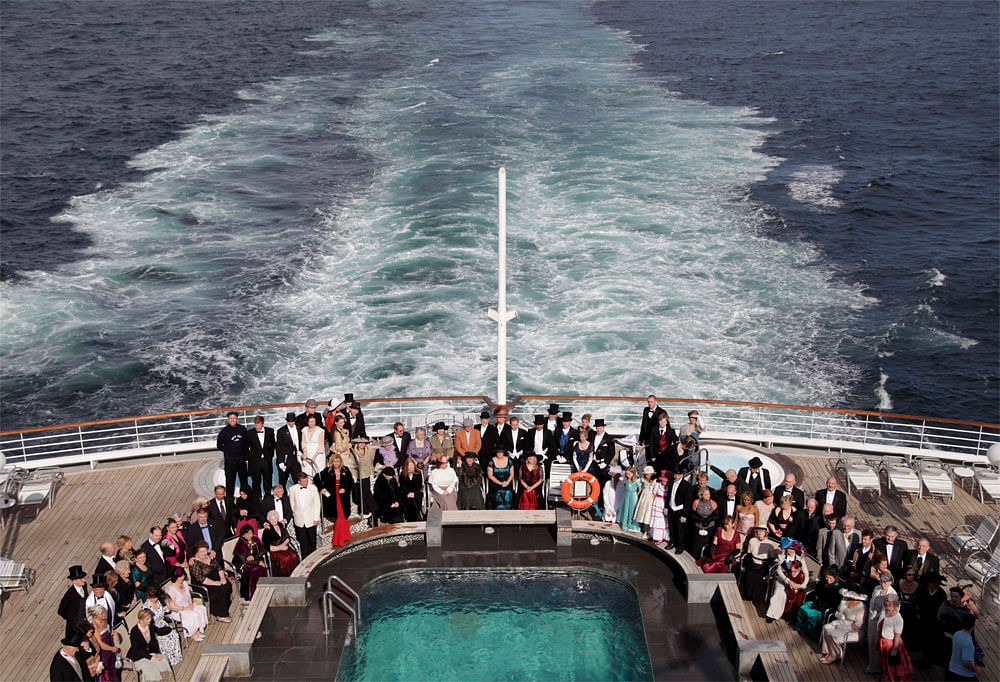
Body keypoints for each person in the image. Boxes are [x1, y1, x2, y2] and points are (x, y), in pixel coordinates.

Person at [188, 541, 232, 622]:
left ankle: (225, 608)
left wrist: (222, 578)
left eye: (205, 551)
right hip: (203, 584)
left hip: (215, 578)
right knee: (219, 590)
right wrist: (215, 583)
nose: (204, 553)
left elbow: (219, 568)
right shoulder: (194, 563)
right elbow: (201, 579)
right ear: (197, 552)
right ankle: (219, 614)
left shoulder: (210, 557)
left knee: (227, 585)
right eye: (201, 552)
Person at [820, 590, 867, 665]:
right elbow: (838, 613)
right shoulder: (845, 600)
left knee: (832, 633)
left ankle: (834, 655)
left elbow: (857, 626)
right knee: (826, 627)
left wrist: (841, 627)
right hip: (841, 623)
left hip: (854, 631)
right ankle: (829, 652)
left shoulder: (861, 607)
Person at [766, 540, 808, 622]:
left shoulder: (800, 559)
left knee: (796, 596)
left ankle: (789, 616)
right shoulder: (782, 557)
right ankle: (772, 615)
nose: (790, 551)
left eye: (792, 549)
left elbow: (806, 573)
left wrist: (803, 585)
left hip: (795, 582)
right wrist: (787, 581)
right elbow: (779, 570)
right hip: (783, 580)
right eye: (789, 548)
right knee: (779, 592)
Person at [866, 571, 899, 673]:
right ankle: (873, 666)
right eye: (881, 582)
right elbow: (872, 602)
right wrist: (872, 611)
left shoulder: (893, 594)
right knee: (871, 642)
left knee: (881, 644)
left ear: (890, 582)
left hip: (885, 623)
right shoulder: (877, 589)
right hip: (873, 619)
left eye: (885, 582)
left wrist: (881, 615)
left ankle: (883, 668)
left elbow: (894, 611)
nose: (883, 584)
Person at [796, 567, 842, 640]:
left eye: (830, 577)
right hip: (817, 602)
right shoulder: (823, 583)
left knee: (810, 614)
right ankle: (803, 628)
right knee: (802, 608)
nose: (827, 579)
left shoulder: (837, 588)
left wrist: (818, 604)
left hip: (824, 608)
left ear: (835, 577)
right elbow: (817, 593)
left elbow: (833, 602)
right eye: (826, 577)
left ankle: (812, 634)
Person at [127, 608, 172, 681]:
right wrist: (150, 657)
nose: (150, 620)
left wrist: (157, 653)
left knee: (163, 659)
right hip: (138, 656)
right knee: (151, 667)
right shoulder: (134, 631)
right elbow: (137, 649)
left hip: (148, 653)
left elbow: (154, 641)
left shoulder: (150, 627)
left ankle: (166, 679)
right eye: (147, 619)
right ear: (141, 620)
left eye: (150, 618)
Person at [163, 568, 208, 641]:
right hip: (177, 610)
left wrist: (190, 604)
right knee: (193, 615)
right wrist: (186, 609)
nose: (181, 579)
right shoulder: (171, 590)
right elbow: (172, 606)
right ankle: (193, 634)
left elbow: (189, 595)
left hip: (186, 605)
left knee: (201, 609)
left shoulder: (184, 583)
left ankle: (199, 630)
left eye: (182, 576)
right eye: (179, 577)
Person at [142, 586, 181, 667]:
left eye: (156, 597)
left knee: (174, 635)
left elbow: (166, 611)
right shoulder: (146, 607)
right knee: (164, 640)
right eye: (153, 598)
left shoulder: (159, 601)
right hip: (153, 628)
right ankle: (167, 661)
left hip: (163, 624)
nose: (155, 599)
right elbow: (146, 623)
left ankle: (175, 658)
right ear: (149, 597)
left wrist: (166, 607)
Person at [877, 595, 914, 681]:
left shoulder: (898, 618)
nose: (887, 603)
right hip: (883, 641)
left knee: (893, 666)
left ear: (895, 604)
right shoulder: (884, 611)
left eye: (890, 602)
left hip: (891, 644)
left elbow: (897, 635)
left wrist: (895, 649)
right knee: (884, 663)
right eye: (886, 601)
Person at [216, 412, 248, 501]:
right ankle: (229, 501)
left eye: (234, 418)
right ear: (228, 420)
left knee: (243, 481)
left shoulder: (242, 429)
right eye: (230, 419)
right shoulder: (224, 431)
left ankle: (245, 500)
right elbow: (219, 445)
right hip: (230, 461)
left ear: (237, 419)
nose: (232, 420)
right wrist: (228, 451)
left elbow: (246, 444)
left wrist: (246, 458)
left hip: (241, 460)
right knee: (230, 482)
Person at [290, 471, 321, 558]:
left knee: (312, 541)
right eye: (303, 481)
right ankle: (304, 560)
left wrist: (316, 518)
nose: (306, 483)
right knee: (302, 542)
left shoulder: (313, 488)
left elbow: (317, 504)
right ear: (299, 481)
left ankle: (313, 559)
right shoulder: (292, 489)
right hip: (299, 520)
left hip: (311, 519)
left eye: (307, 481)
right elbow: (292, 504)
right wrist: (297, 514)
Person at [245, 415, 276, 499]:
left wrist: (270, 456)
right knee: (256, 481)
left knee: (268, 480)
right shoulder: (250, 433)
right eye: (255, 425)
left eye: (258, 424)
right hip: (255, 461)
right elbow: (246, 447)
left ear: (262, 424)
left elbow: (273, 445)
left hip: (266, 460)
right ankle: (257, 498)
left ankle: (268, 497)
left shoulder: (270, 431)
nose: (257, 426)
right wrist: (247, 459)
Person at [232, 525, 267, 600]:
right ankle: (253, 593)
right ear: (243, 534)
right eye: (247, 533)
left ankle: (263, 590)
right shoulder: (240, 544)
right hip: (245, 565)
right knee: (255, 570)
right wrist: (258, 563)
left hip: (256, 560)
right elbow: (244, 560)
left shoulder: (256, 539)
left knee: (262, 569)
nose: (249, 535)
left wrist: (255, 557)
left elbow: (263, 550)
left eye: (250, 533)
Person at [665, 465, 693, 553]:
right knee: (672, 527)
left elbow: (688, 502)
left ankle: (680, 545)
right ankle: (672, 541)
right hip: (671, 508)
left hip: (679, 510)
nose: (675, 476)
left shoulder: (686, 485)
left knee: (680, 529)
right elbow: (669, 495)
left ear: (681, 475)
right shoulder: (671, 482)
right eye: (674, 475)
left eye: (677, 475)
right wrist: (666, 507)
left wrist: (684, 515)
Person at [262, 510, 300, 576]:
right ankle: (285, 576)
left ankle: (294, 574)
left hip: (284, 547)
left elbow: (288, 538)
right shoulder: (267, 530)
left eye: (275, 518)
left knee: (295, 556)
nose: (273, 520)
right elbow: (267, 546)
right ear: (269, 520)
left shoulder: (281, 525)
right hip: (274, 550)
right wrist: (280, 548)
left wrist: (283, 545)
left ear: (277, 519)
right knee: (286, 558)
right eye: (271, 519)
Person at [347, 436, 377, 517]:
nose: (362, 445)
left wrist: (371, 473)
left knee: (366, 492)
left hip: (366, 474)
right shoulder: (353, 452)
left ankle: (369, 509)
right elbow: (351, 464)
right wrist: (353, 475)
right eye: (360, 443)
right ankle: (365, 509)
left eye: (363, 443)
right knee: (360, 493)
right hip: (358, 475)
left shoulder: (368, 451)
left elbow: (370, 463)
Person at [58, 565, 90, 640]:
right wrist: (72, 619)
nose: (84, 580)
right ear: (74, 581)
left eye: (83, 578)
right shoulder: (69, 595)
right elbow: (61, 611)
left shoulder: (84, 586)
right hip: (74, 628)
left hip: (84, 623)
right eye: (80, 579)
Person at [948, 613, 982, 681]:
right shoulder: (968, 643)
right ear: (973, 626)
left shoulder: (956, 634)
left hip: (952, 670)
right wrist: (976, 669)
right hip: (963, 675)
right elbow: (966, 662)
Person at [688, 485, 719, 558]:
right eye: (706, 494)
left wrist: (708, 520)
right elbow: (692, 514)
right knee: (696, 544)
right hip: (698, 526)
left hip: (709, 527)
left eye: (709, 494)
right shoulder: (696, 502)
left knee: (706, 544)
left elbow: (717, 515)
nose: (708, 496)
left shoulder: (713, 503)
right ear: (701, 495)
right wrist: (700, 519)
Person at [275, 412, 302, 487]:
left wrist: (300, 451)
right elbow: (278, 447)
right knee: (282, 482)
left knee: (298, 480)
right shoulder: (281, 431)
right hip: (285, 459)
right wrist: (280, 461)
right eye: (290, 421)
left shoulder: (298, 427)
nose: (291, 423)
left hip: (296, 459)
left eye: (293, 421)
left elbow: (300, 441)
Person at [299, 413, 326, 479]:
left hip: (317, 453)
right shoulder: (304, 430)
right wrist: (304, 452)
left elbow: (321, 445)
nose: (312, 423)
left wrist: (315, 456)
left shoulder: (320, 431)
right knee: (307, 471)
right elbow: (303, 442)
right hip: (308, 452)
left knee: (317, 471)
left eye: (313, 421)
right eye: (310, 422)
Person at [617, 467, 642, 533]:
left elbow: (640, 488)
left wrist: (636, 494)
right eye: (627, 474)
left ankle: (633, 525)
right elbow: (626, 486)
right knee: (626, 509)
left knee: (632, 510)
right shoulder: (626, 480)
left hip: (633, 496)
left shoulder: (637, 480)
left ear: (633, 474)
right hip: (627, 495)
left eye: (629, 474)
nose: (628, 475)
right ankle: (625, 524)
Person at [649, 471, 669, 544]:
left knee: (664, 521)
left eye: (665, 480)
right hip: (657, 503)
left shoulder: (669, 487)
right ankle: (655, 537)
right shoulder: (657, 485)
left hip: (664, 504)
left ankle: (663, 536)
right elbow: (654, 494)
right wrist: (651, 504)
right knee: (657, 521)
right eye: (663, 480)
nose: (664, 482)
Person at [633, 466, 657, 530]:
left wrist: (653, 500)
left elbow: (655, 492)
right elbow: (641, 488)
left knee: (648, 513)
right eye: (645, 474)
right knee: (642, 511)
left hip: (650, 498)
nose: (646, 475)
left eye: (648, 474)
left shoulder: (655, 481)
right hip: (643, 497)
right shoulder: (643, 480)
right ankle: (643, 527)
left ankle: (648, 530)